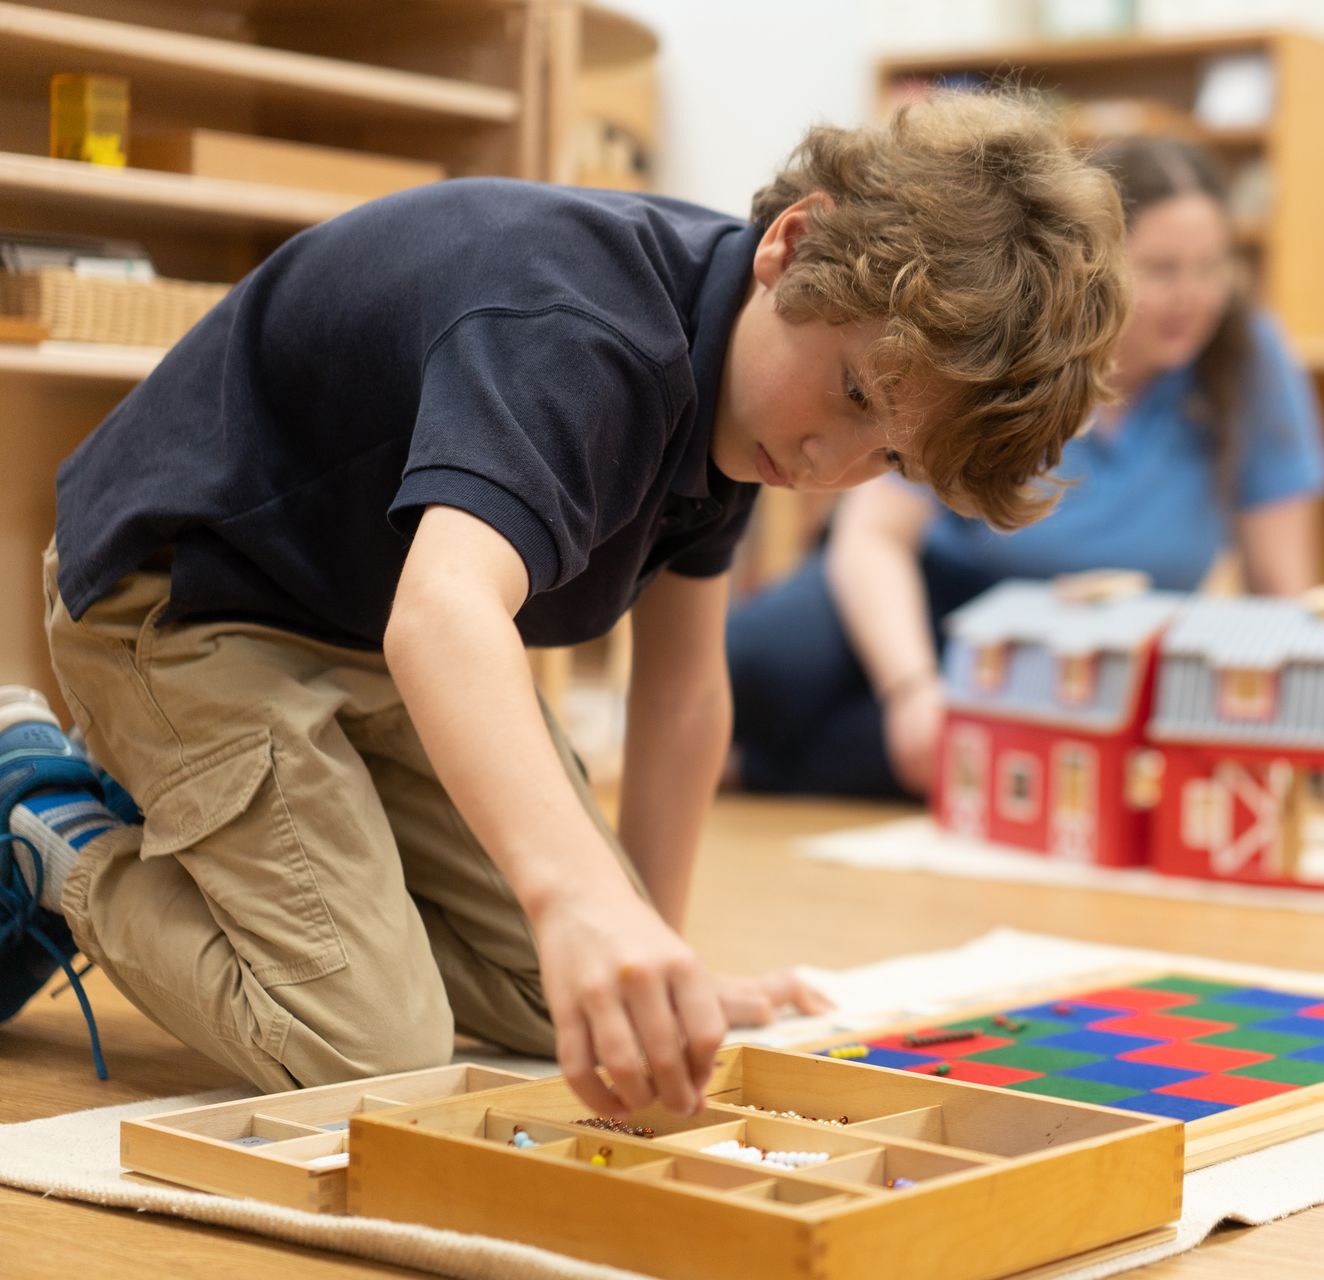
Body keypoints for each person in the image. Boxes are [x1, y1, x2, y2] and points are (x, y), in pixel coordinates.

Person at [0, 91, 1130, 1114]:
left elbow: (683, 692)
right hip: (183, 601)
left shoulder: (752, 394)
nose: (834, 462)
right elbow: (444, 613)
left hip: (362, 625)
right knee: (375, 1049)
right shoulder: (583, 336)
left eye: (888, 458)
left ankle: (252, 856)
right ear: (798, 244)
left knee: (563, 1004)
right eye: (853, 396)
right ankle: (55, 813)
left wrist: (653, 949)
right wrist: (580, 902)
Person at [727, 136, 1324, 799]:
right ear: (1098, 269)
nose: (1193, 297)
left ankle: (754, 769)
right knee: (754, 667)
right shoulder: (1021, 339)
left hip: (1084, 650)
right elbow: (872, 539)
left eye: (1212, 268)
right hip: (922, 591)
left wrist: (1318, 743)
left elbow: (1282, 589)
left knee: (1002, 751)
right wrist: (912, 689)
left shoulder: (1250, 363)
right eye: (1161, 270)